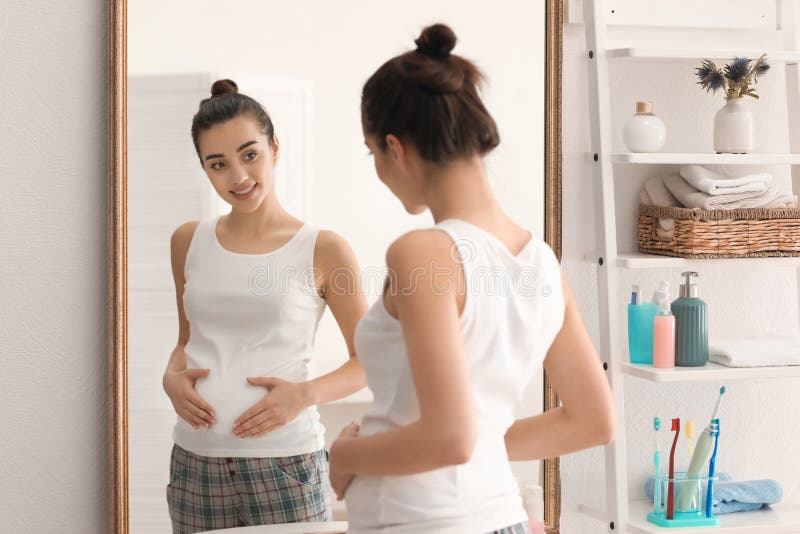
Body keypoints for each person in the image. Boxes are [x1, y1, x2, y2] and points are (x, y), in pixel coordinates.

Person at [328, 24, 615, 534]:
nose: (378, 168)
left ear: (396, 148)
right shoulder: (541, 262)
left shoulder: (424, 253)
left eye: (373, 153)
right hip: (499, 517)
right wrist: (480, 448)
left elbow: (450, 439)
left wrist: (349, 454)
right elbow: (592, 421)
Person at [162, 79, 368, 533]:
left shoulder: (324, 248)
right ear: (205, 169)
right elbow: (186, 341)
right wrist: (170, 379)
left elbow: (372, 362)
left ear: (276, 147)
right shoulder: (187, 242)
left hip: (285, 466)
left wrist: (305, 394)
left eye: (249, 154)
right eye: (218, 164)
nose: (237, 177)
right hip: (196, 466)